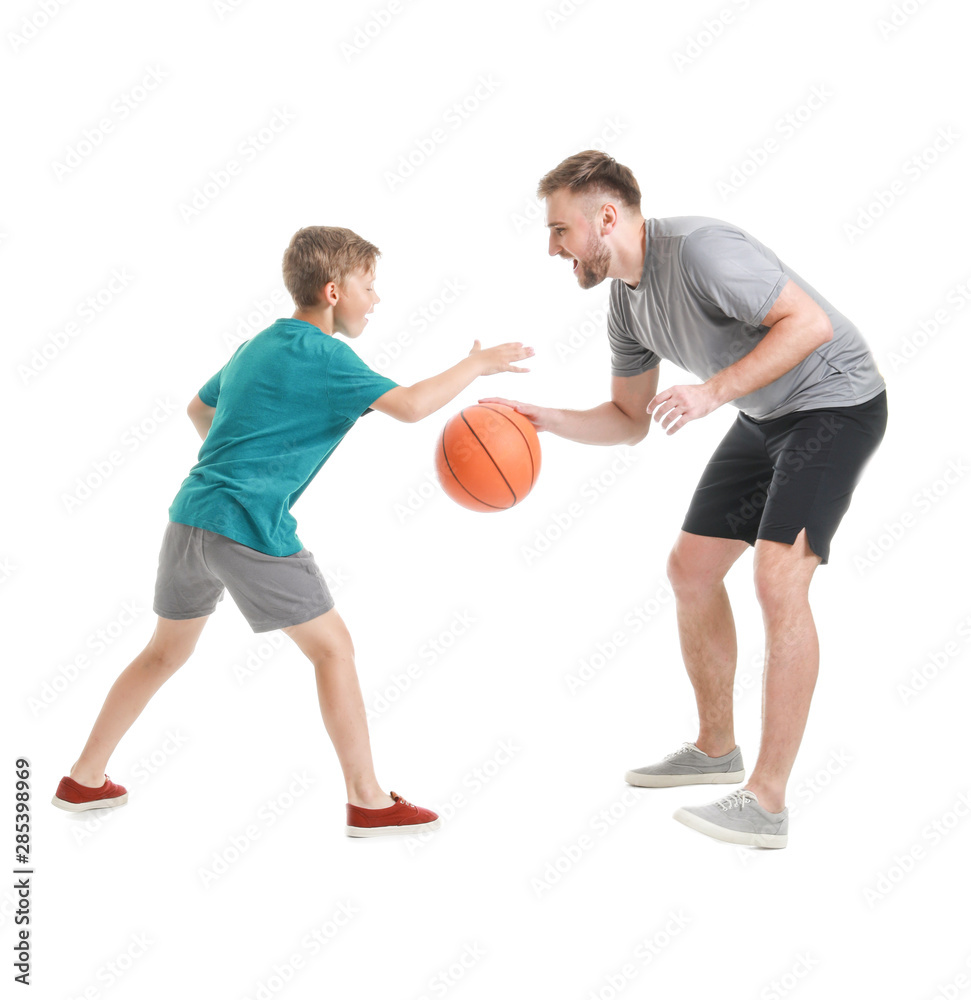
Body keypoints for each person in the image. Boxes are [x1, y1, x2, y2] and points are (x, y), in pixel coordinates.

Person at [52, 225, 533, 838]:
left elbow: (199, 409)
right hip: (249, 527)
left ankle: (84, 778)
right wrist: (477, 362)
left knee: (163, 652)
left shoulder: (258, 343)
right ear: (333, 291)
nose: (376, 298)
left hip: (190, 516)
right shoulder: (328, 355)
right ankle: (368, 799)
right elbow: (411, 407)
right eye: (369, 284)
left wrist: (243, 462)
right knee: (333, 649)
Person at [482, 150, 887, 849]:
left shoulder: (701, 251)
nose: (551, 248)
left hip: (835, 406)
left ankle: (765, 801)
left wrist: (709, 392)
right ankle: (713, 748)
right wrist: (541, 421)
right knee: (690, 571)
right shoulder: (625, 302)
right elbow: (628, 419)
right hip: (763, 416)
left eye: (558, 231)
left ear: (604, 218)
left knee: (776, 579)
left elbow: (809, 325)